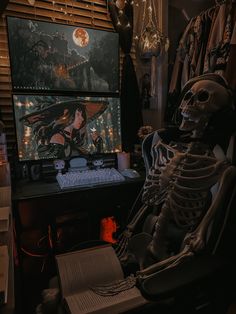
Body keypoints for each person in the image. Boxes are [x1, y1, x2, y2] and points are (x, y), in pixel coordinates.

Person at [20, 98, 107, 159]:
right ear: (67, 113)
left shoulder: (67, 138)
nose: (82, 118)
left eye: (82, 115)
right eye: (78, 114)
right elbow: (56, 168)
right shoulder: (58, 138)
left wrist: (98, 144)